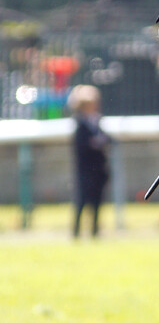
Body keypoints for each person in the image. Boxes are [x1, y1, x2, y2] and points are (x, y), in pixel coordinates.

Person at [68, 85, 111, 237]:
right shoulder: (80, 124)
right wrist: (93, 143)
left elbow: (108, 139)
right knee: (82, 201)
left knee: (97, 201)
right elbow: (81, 143)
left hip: (98, 168)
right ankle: (76, 231)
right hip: (85, 170)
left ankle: (94, 230)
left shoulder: (96, 122)